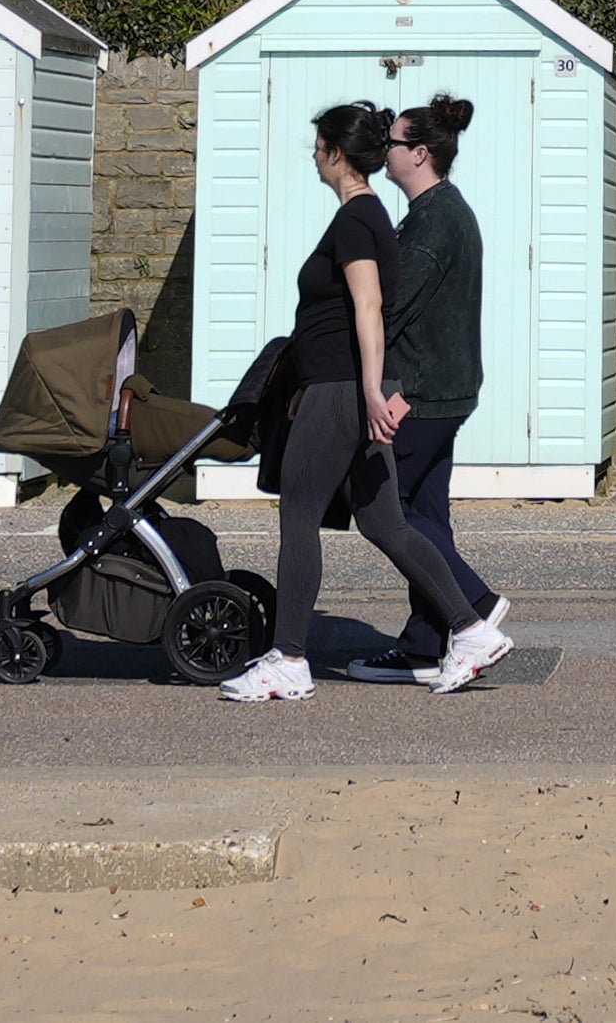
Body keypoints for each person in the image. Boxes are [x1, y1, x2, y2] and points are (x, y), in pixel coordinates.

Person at [220, 102, 497, 702]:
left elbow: (371, 308)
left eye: (318, 145)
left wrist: (372, 391)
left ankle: (288, 659)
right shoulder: (373, 215)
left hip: (340, 391)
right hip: (343, 387)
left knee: (298, 517)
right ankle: (471, 629)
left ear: (335, 153)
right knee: (385, 522)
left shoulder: (357, 219)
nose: (314, 155)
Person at [334, 93, 516, 687]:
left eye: (392, 142)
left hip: (423, 395)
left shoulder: (435, 221)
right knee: (427, 515)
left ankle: (475, 604)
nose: (383, 149)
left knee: (391, 514)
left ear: (419, 153)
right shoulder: (439, 211)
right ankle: (421, 643)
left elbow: (392, 309)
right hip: (445, 391)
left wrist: (388, 384)